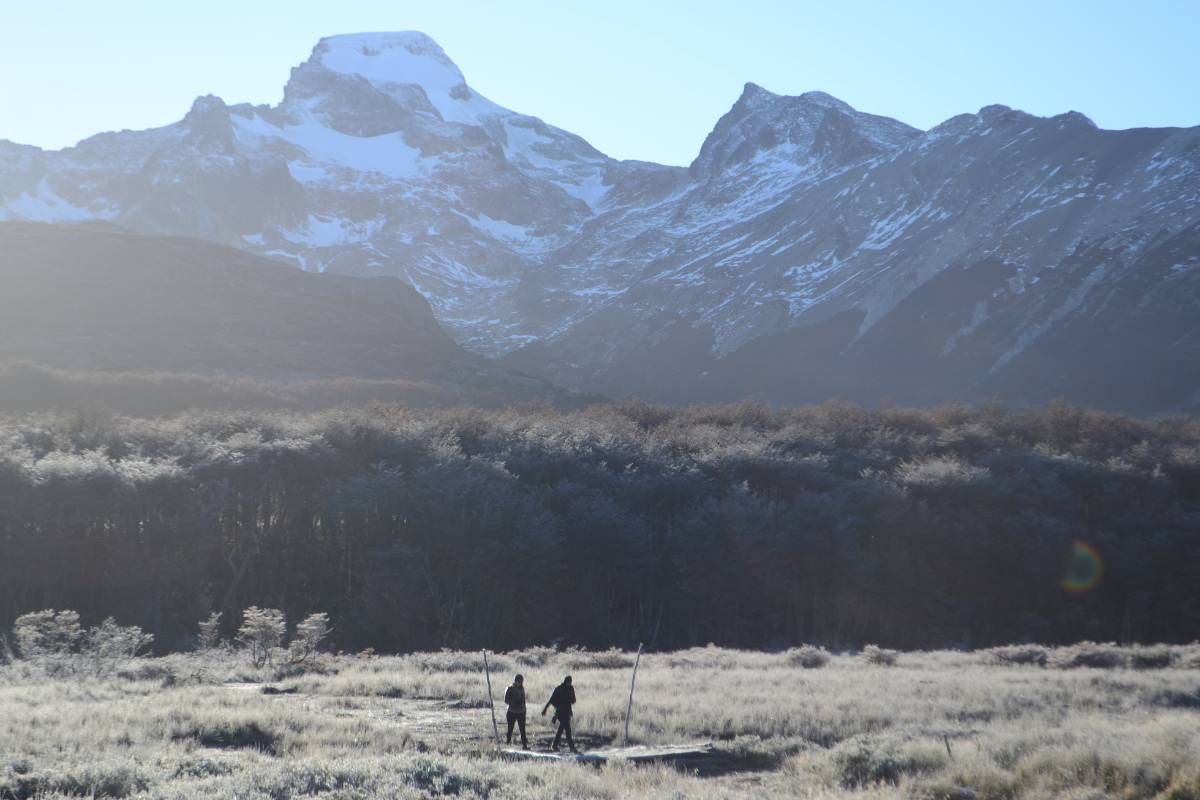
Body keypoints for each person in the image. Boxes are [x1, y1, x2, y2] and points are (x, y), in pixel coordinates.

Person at [542, 675, 577, 753]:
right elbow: (551, 699)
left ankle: (554, 745)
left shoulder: (571, 688)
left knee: (561, 728)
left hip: (567, 711)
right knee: (567, 729)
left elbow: (574, 700)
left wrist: (570, 699)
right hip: (559, 712)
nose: (569, 683)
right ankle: (572, 747)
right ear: (565, 681)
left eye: (570, 682)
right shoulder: (558, 688)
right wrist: (545, 709)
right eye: (568, 682)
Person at [503, 674, 528, 749]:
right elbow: (506, 700)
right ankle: (507, 743)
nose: (520, 683)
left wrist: (524, 710)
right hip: (511, 712)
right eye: (519, 682)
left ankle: (524, 745)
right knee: (510, 729)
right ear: (515, 681)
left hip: (521, 712)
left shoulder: (522, 688)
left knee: (522, 729)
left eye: (521, 682)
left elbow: (523, 700)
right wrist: (513, 702)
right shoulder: (509, 688)